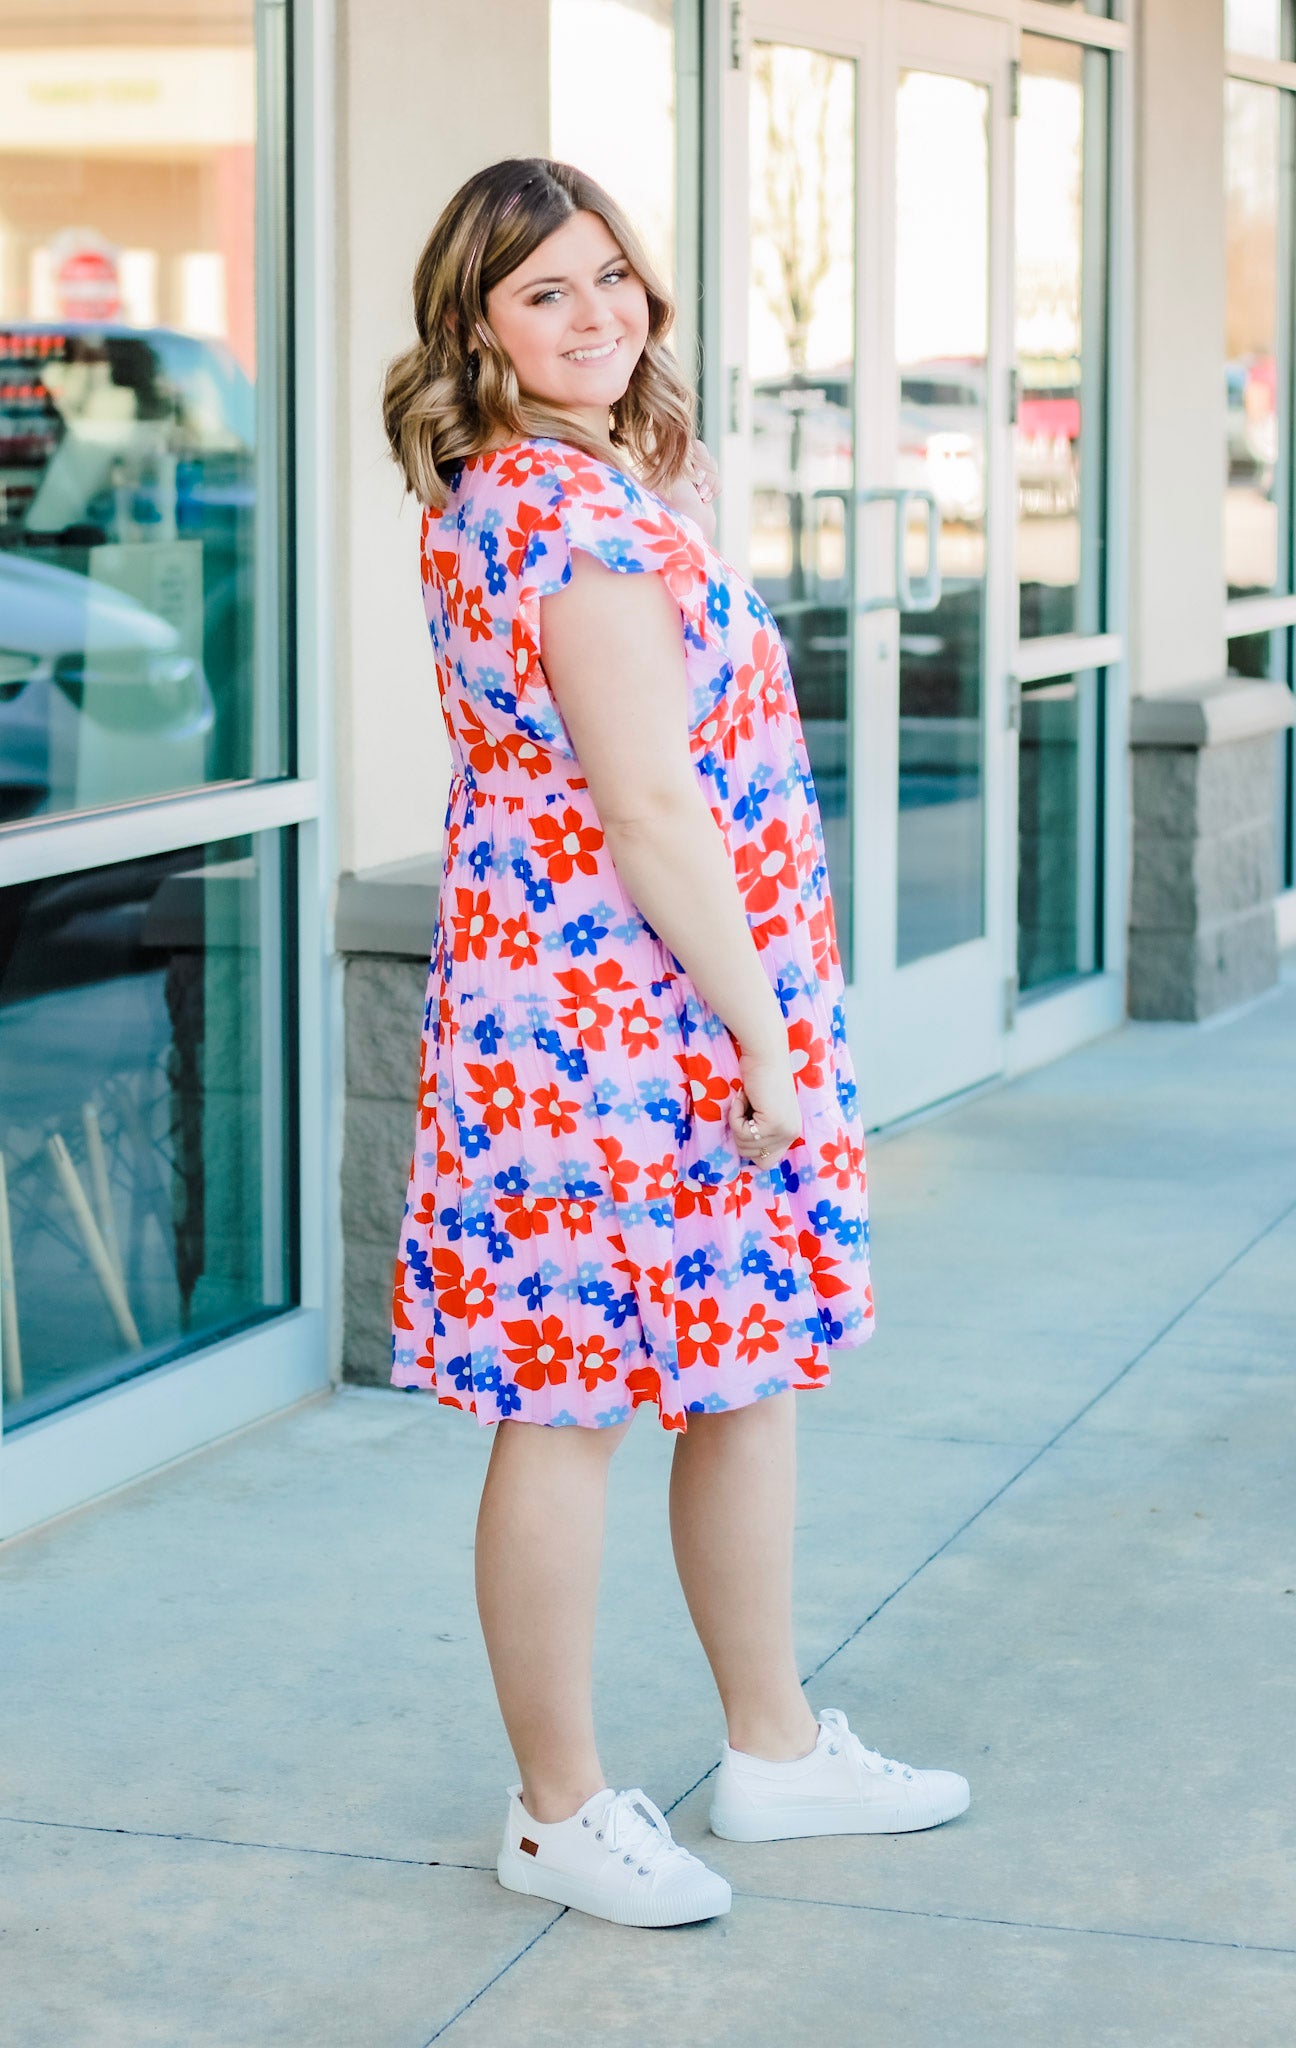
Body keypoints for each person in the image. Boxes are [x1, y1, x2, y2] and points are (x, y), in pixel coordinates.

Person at [381, 156, 969, 1931]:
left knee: (742, 1370)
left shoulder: (555, 495)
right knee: (567, 1406)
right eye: (545, 291)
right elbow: (646, 803)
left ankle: (774, 1749)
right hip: (621, 1023)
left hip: (648, 1001)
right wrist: (768, 1043)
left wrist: (682, 511)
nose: (598, 312)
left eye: (612, 276)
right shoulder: (564, 514)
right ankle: (558, 1810)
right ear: (476, 328)